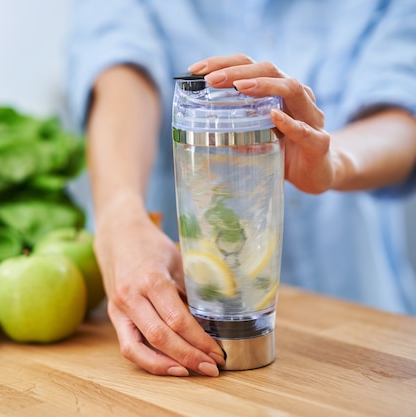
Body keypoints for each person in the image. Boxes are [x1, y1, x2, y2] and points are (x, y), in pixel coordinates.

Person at [64, 1, 416, 377]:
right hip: (181, 318)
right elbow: (120, 75)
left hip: (358, 326)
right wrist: (121, 215)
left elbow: (401, 108)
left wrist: (331, 161)